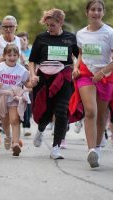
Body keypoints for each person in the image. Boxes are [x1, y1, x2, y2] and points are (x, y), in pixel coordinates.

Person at [71, 0, 113, 167]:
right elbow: (80, 53)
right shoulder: (80, 34)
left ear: (103, 12)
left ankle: (98, 148)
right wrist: (76, 67)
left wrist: (103, 72)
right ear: (87, 12)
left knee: (101, 116)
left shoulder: (110, 33)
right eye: (93, 9)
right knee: (91, 111)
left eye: (99, 10)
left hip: (105, 76)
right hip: (86, 75)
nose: (96, 12)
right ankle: (91, 150)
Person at [29, 8, 79, 159]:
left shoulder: (71, 37)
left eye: (52, 25)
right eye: (47, 25)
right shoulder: (41, 38)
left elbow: (79, 56)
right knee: (46, 111)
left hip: (64, 78)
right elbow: (32, 60)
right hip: (44, 78)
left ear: (60, 22)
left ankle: (56, 147)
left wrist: (76, 67)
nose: (49, 28)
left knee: (62, 111)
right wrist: (32, 75)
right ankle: (41, 128)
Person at [0, 15, 26, 147]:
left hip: (15, 81)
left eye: (11, 26)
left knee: (14, 114)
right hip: (1, 80)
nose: (8, 29)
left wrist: (23, 62)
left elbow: (19, 55)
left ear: (16, 27)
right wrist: (1, 60)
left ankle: (13, 138)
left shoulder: (19, 40)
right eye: (5, 27)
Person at [0, 44, 34, 156]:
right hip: (2, 96)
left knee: (15, 119)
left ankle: (15, 144)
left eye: (15, 55)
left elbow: (26, 83)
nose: (12, 57)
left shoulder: (21, 70)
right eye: (9, 55)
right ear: (4, 55)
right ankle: (8, 137)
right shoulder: (0, 66)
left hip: (15, 97)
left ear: (18, 56)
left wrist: (33, 83)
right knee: (5, 121)